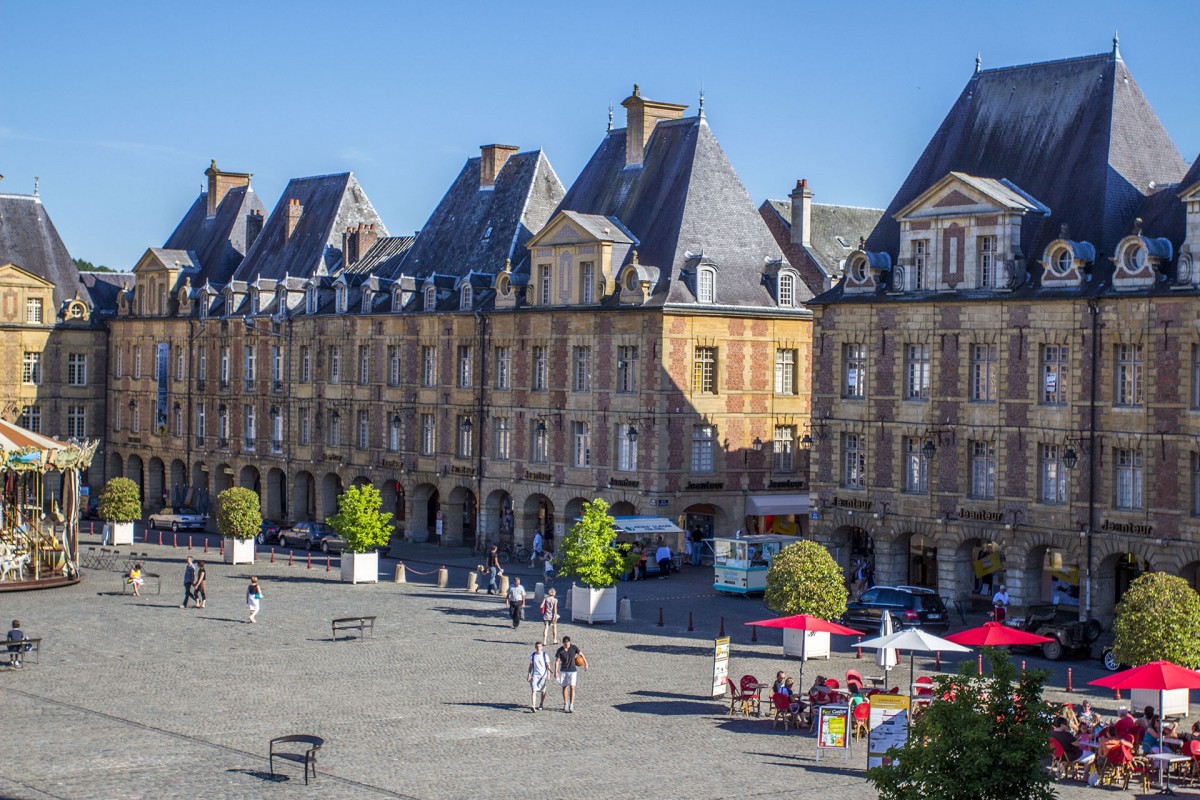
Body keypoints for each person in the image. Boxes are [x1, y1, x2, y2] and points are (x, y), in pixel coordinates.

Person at [553, 636, 588, 713]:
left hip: (572, 671)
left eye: (568, 644)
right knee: (564, 687)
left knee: (572, 687)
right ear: (563, 644)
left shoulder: (574, 648)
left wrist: (586, 663)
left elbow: (581, 654)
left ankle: (571, 705)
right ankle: (566, 703)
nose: (567, 646)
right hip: (563, 671)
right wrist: (555, 671)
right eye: (566, 644)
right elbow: (557, 661)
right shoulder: (560, 650)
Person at [527, 641, 552, 712]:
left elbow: (548, 665)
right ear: (535, 647)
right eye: (537, 647)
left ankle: (541, 704)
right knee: (533, 690)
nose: (538, 648)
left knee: (543, 691)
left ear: (542, 648)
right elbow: (531, 666)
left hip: (543, 676)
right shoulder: (533, 655)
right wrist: (529, 674)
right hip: (535, 675)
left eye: (540, 647)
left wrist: (548, 674)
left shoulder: (545, 655)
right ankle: (533, 706)